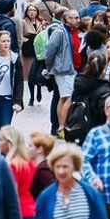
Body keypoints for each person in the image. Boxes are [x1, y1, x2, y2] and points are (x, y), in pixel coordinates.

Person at [45, 9, 81, 137]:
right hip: (63, 70)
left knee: (64, 97)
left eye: (78, 17)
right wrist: (50, 69)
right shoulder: (59, 32)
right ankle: (61, 127)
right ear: (66, 19)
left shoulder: (75, 31)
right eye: (74, 18)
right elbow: (50, 51)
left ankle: (62, 126)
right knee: (67, 97)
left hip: (72, 70)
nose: (77, 20)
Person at [0, 126, 37, 219]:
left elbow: (10, 194)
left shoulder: (12, 165)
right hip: (32, 211)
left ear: (10, 143)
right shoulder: (30, 162)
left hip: (20, 214)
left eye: (1, 140)